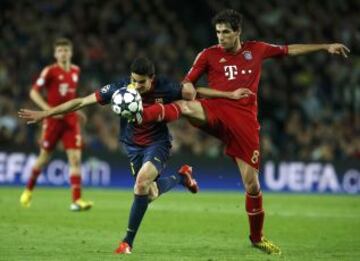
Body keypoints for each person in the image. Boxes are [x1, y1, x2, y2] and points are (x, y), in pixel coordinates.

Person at [133, 9, 350, 255]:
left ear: (238, 32)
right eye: (218, 32)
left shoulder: (256, 50)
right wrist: (226, 95)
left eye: (226, 32)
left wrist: (324, 47)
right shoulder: (208, 55)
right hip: (215, 111)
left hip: (244, 122)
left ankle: (257, 238)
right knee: (183, 106)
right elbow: (188, 88)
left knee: (252, 185)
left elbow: (289, 49)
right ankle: (144, 116)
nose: (221, 37)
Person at [19, 57, 247, 254]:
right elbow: (81, 101)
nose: (136, 86)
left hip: (157, 143)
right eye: (133, 80)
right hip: (132, 147)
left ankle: (126, 242)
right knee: (150, 193)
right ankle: (181, 177)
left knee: (141, 184)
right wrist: (46, 113)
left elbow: (195, 91)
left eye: (142, 82)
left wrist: (229, 95)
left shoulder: (167, 87)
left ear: (152, 78)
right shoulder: (120, 88)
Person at [19, 38, 93, 211]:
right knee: (44, 158)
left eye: (66, 50)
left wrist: (78, 109)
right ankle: (28, 190)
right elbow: (33, 92)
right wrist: (48, 110)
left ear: (71, 53)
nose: (63, 53)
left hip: (70, 120)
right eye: (59, 51)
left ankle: (76, 200)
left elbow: (71, 95)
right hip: (52, 121)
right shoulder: (50, 71)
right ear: (55, 54)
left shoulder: (76, 70)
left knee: (75, 159)